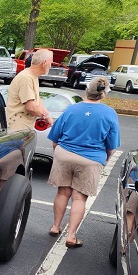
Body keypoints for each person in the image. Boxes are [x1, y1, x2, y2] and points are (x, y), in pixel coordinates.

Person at [47, 76, 120, 248]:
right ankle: (71, 235)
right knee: (79, 198)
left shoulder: (71, 109)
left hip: (64, 154)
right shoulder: (109, 113)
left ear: (87, 90)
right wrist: (106, 159)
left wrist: (58, 153)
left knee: (62, 192)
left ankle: (55, 226)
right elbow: (112, 145)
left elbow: (55, 137)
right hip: (90, 159)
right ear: (103, 94)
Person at [5, 48, 53, 132]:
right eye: (50, 63)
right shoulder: (26, 78)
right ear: (44, 63)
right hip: (17, 129)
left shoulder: (33, 76)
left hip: (24, 128)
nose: (50, 66)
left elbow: (37, 102)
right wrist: (47, 116)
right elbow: (31, 107)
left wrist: (45, 113)